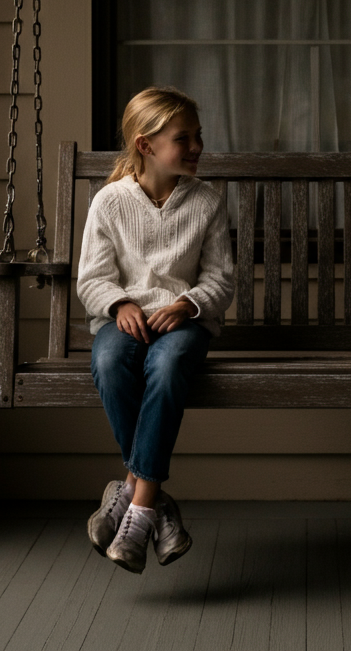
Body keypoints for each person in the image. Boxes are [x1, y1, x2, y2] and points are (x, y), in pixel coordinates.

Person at [77, 86, 234, 573]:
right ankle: (154, 500)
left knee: (167, 367)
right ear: (145, 145)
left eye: (198, 136)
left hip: (183, 325)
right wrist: (119, 302)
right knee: (108, 360)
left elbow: (220, 278)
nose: (196, 147)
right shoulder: (110, 202)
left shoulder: (205, 201)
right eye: (183, 138)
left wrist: (188, 305)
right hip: (123, 321)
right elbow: (92, 278)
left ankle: (137, 504)